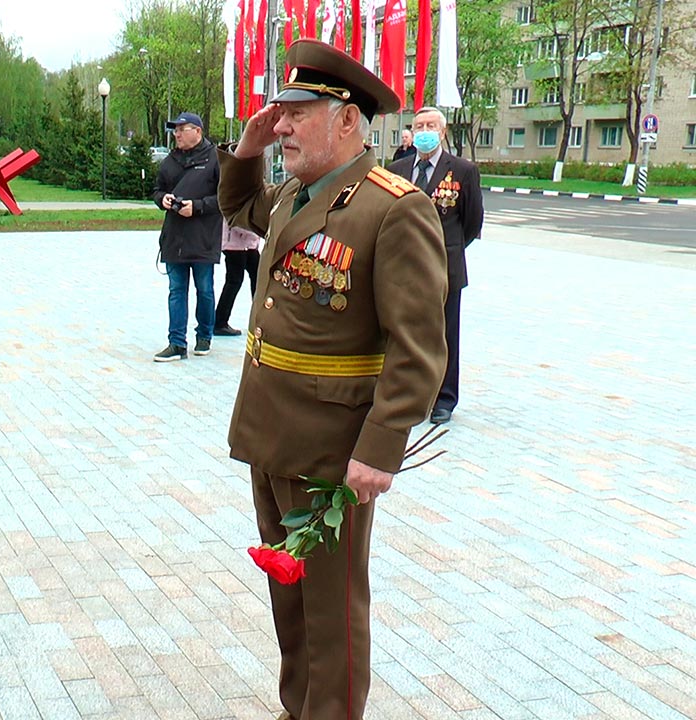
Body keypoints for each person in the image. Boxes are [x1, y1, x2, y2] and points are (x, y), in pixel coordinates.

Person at [218, 40, 447, 720]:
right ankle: (300, 710)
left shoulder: (394, 208)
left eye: (296, 112)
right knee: (291, 605)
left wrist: (381, 448)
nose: (281, 123)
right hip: (271, 433)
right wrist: (248, 149)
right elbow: (239, 208)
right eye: (280, 112)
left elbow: (419, 346)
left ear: (347, 119)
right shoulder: (295, 194)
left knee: (332, 615)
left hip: (331, 450)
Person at [388, 106, 484, 425]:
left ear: (442, 132)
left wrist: (447, 250)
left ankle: (444, 399)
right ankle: (408, 394)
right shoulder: (398, 169)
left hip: (445, 268)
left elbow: (472, 222)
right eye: (419, 125)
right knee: (403, 332)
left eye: (431, 125)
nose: (424, 130)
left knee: (444, 335)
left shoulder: (462, 170)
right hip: (403, 267)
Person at [152, 111, 222, 362]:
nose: (177, 134)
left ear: (198, 132)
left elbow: (225, 198)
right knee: (176, 290)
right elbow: (157, 190)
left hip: (203, 238)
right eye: (175, 130)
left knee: (204, 289)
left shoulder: (215, 159)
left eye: (183, 129)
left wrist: (198, 206)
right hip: (175, 238)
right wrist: (163, 199)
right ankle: (177, 343)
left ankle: (204, 335)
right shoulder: (169, 161)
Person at [213, 222, 261, 336]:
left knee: (258, 277)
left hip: (248, 244)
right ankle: (220, 323)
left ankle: (258, 318)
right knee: (234, 281)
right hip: (234, 245)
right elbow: (235, 218)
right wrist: (257, 231)